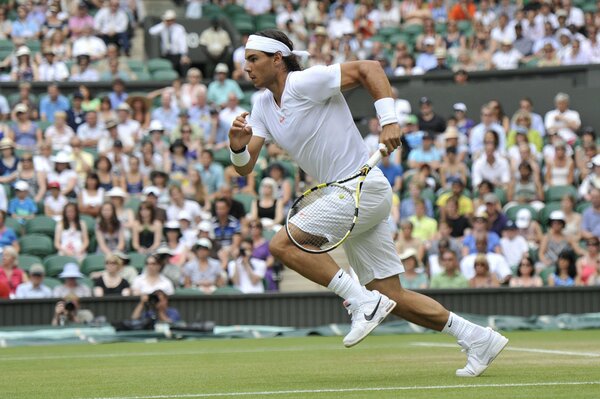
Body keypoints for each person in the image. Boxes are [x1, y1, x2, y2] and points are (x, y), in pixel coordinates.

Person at [231, 30, 507, 374]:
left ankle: (360, 300)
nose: (246, 67)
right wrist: (238, 146)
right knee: (392, 295)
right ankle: (478, 338)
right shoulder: (260, 106)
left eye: (254, 59)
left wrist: (389, 121)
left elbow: (370, 69)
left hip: (360, 188)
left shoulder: (304, 82)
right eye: (246, 60)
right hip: (348, 195)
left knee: (282, 245)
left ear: (277, 59)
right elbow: (245, 168)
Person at [149, 10, 190, 77]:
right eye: (167, 20)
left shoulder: (179, 28)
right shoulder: (162, 28)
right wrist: (163, 24)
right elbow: (152, 31)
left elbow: (182, 43)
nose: (169, 22)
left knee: (179, 70)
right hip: (166, 54)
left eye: (170, 20)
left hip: (176, 55)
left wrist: (184, 55)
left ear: (173, 20)